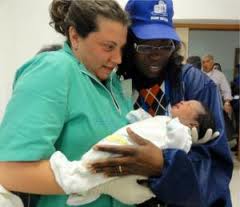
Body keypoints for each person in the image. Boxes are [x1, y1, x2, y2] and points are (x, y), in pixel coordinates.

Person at [89, 0, 233, 206]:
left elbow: (215, 172)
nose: (156, 53)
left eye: (165, 44)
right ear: (128, 42)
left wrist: (164, 164)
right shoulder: (114, 85)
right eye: (145, 45)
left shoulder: (196, 85)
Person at [0, 1, 132, 207]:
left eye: (121, 48)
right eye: (108, 47)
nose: (118, 58)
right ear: (75, 36)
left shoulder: (114, 84)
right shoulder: (54, 70)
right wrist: (97, 183)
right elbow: (9, 171)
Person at [48, 100, 216, 206]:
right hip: (130, 177)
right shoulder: (165, 120)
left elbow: (175, 150)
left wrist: (183, 130)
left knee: (101, 159)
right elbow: (146, 124)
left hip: (133, 170)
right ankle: (88, 190)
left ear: (194, 124)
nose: (183, 102)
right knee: (102, 167)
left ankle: (72, 178)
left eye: (189, 105)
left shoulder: (182, 131)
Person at [202, 54, 234, 141]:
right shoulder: (199, 74)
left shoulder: (220, 75)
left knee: (218, 131)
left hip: (216, 107)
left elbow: (226, 90)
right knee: (204, 133)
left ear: (212, 62)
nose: (205, 64)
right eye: (203, 62)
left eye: (207, 61)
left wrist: (227, 103)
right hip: (202, 108)